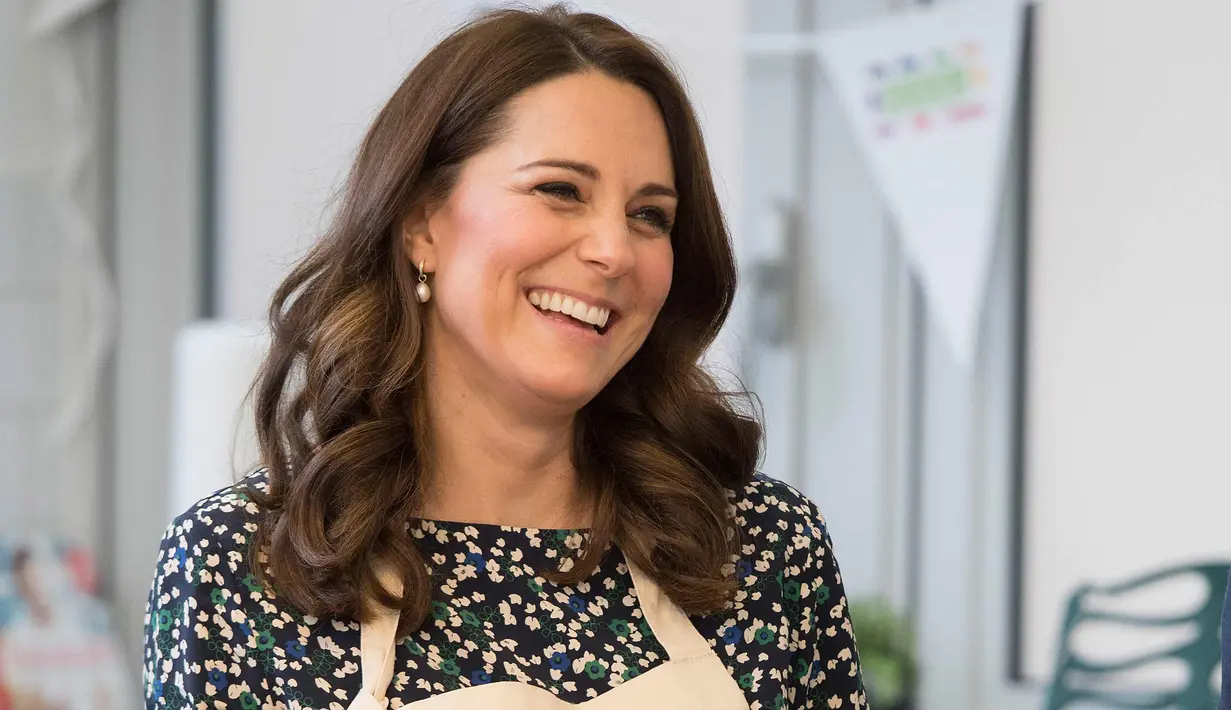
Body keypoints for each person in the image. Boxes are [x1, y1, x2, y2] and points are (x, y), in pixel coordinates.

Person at [142, 5, 865, 708]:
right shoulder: (243, 568)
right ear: (421, 221)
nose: (613, 250)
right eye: (559, 190)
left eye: (650, 216)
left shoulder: (763, 551)